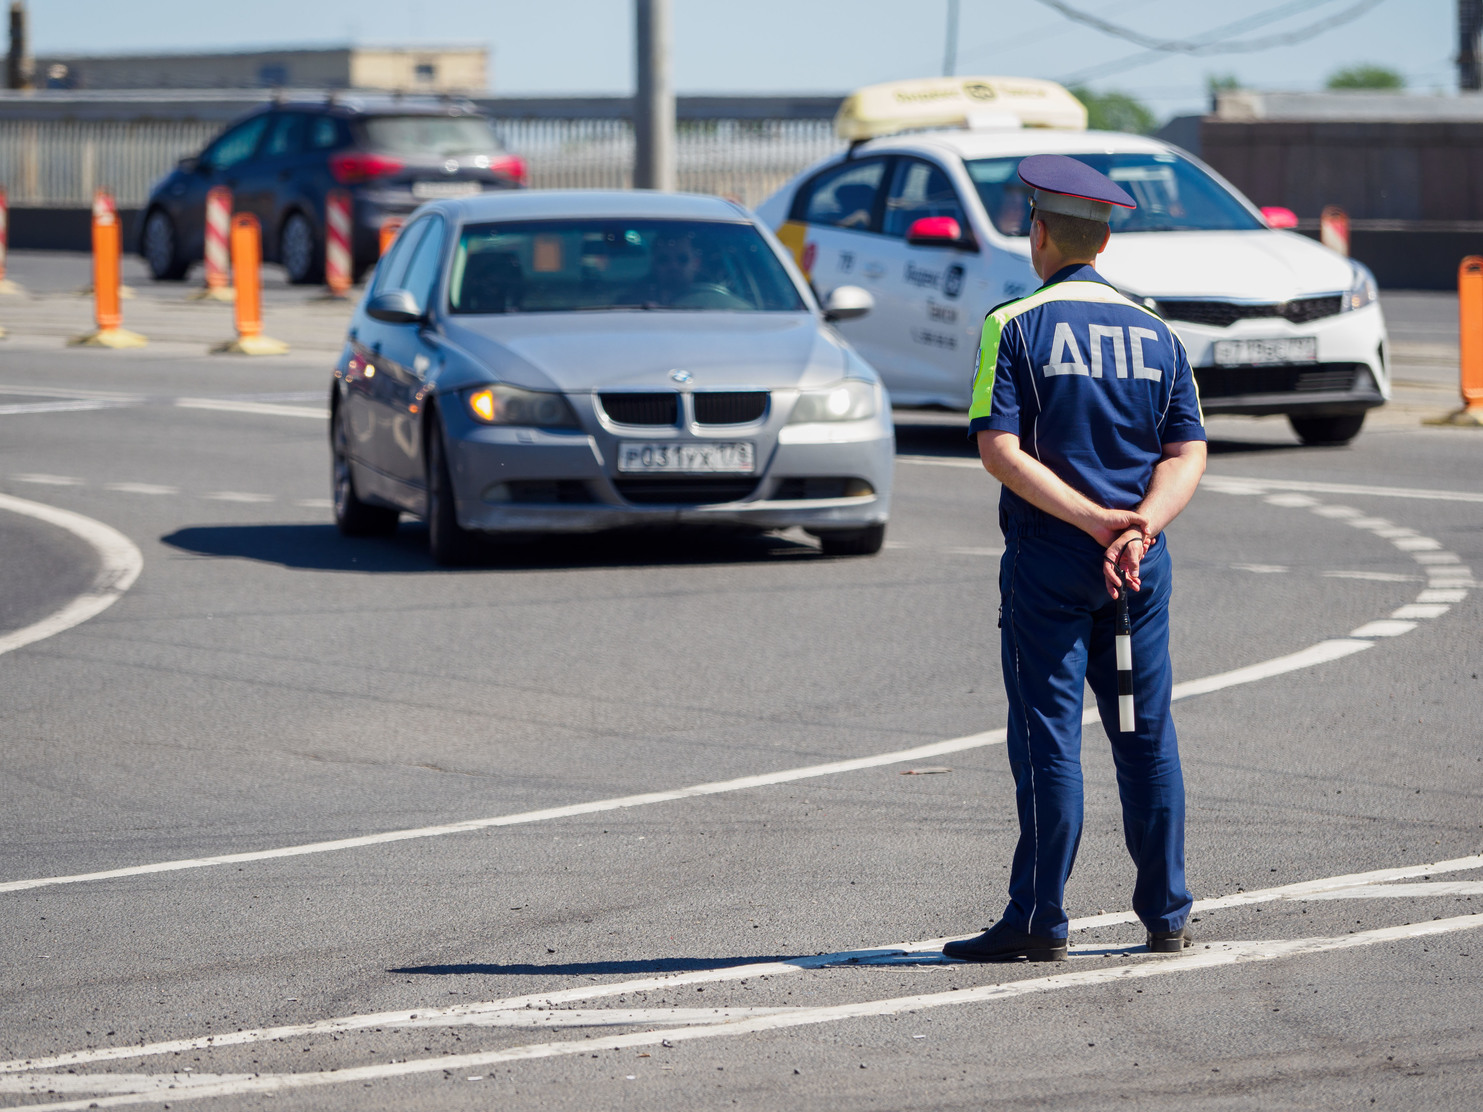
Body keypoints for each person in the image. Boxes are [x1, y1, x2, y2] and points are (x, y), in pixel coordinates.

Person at [943, 154, 1207, 963]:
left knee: (1047, 737)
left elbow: (998, 450)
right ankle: (1165, 912)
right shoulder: (1156, 331)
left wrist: (1093, 521)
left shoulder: (1012, 324)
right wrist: (1138, 527)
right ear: (1103, 242)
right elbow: (1185, 452)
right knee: (1141, 731)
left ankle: (1038, 919)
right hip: (1136, 570)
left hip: (1053, 561)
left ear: (1042, 231)